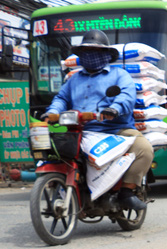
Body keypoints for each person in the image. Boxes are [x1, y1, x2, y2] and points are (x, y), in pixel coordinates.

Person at [41, 29, 152, 211]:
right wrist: (52, 113)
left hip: (115, 129)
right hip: (81, 130)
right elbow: (61, 99)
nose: (89, 55)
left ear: (105, 54)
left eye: (94, 51)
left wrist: (114, 109)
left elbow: (126, 95)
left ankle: (126, 191)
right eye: (85, 52)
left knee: (144, 149)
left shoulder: (119, 75)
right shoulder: (73, 79)